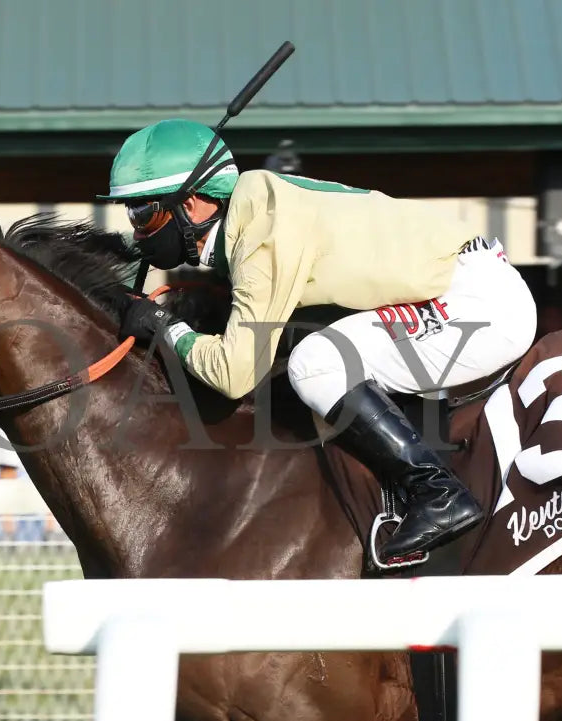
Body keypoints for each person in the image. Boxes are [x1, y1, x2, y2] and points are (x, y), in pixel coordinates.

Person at [103, 119, 537, 562]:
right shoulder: (255, 210)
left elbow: (234, 375)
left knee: (317, 362)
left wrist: (165, 326)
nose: (137, 231)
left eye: (143, 213)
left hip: (478, 305)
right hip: (453, 289)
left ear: (193, 203)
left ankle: (437, 492)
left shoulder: (262, 233)